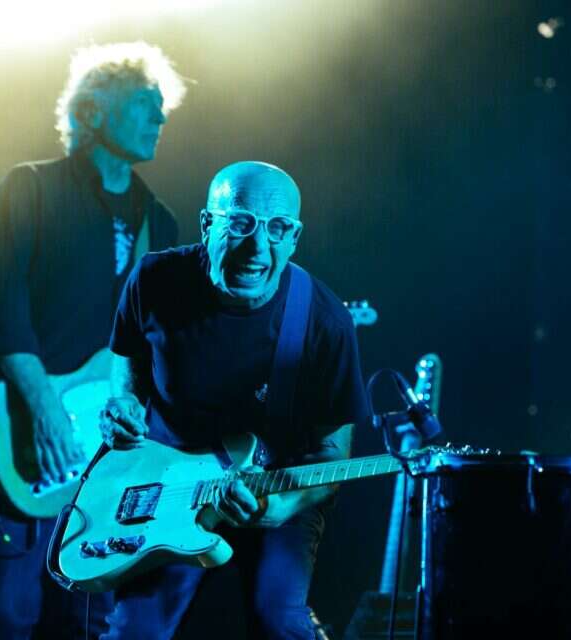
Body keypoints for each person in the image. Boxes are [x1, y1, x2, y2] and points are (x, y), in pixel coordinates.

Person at [98, 161, 369, 639]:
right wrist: (124, 403)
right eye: (240, 223)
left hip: (273, 487)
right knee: (134, 631)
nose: (258, 247)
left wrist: (283, 505)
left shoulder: (324, 322)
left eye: (277, 228)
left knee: (278, 620)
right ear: (207, 224)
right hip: (167, 488)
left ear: (294, 237)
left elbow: (333, 454)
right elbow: (128, 358)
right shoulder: (154, 278)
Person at [0, 41, 185, 639]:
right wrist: (45, 410)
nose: (160, 117)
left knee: (87, 619)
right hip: (26, 430)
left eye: (162, 106)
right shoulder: (30, 188)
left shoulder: (159, 221)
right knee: (10, 614)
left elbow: (153, 344)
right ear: (92, 110)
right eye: (144, 102)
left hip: (107, 453)